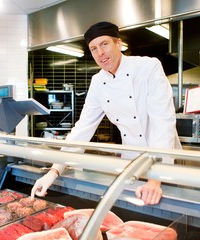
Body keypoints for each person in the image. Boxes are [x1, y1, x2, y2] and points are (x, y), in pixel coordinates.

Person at [31, 21, 181, 205]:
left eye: (104, 44)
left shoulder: (148, 67)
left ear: (118, 44)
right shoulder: (98, 82)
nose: (100, 53)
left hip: (164, 163)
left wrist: (155, 179)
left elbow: (162, 123)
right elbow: (82, 129)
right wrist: (53, 172)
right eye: (93, 48)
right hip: (132, 161)